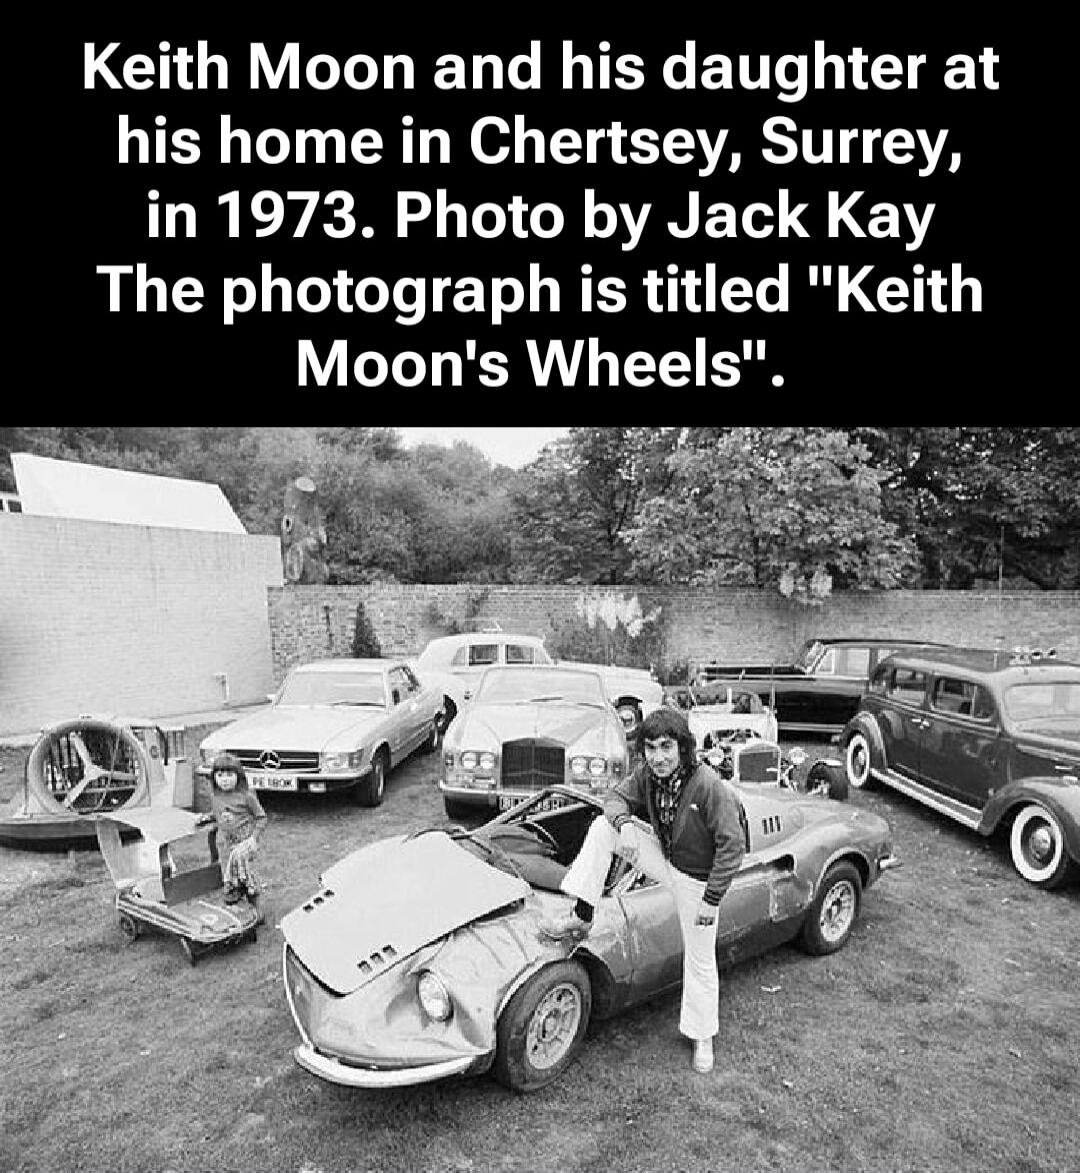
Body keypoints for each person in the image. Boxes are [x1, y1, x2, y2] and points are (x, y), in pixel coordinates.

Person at [540, 707, 747, 1074]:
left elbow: (733, 847)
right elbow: (615, 799)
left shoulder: (710, 786)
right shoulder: (647, 775)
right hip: (666, 860)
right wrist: (627, 825)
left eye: (667, 747)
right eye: (651, 748)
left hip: (698, 882)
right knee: (604, 829)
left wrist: (712, 900)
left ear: (684, 748)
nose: (658, 757)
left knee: (700, 959)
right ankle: (581, 916)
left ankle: (702, 1035)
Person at [203, 752, 268, 924]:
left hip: (245, 845)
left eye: (229, 775)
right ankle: (238, 912)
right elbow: (220, 813)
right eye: (220, 775)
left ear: (238, 776)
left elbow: (262, 817)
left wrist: (253, 839)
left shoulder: (247, 796)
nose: (224, 779)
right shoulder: (215, 797)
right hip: (227, 846)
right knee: (233, 879)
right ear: (214, 777)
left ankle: (258, 912)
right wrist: (209, 817)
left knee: (248, 878)